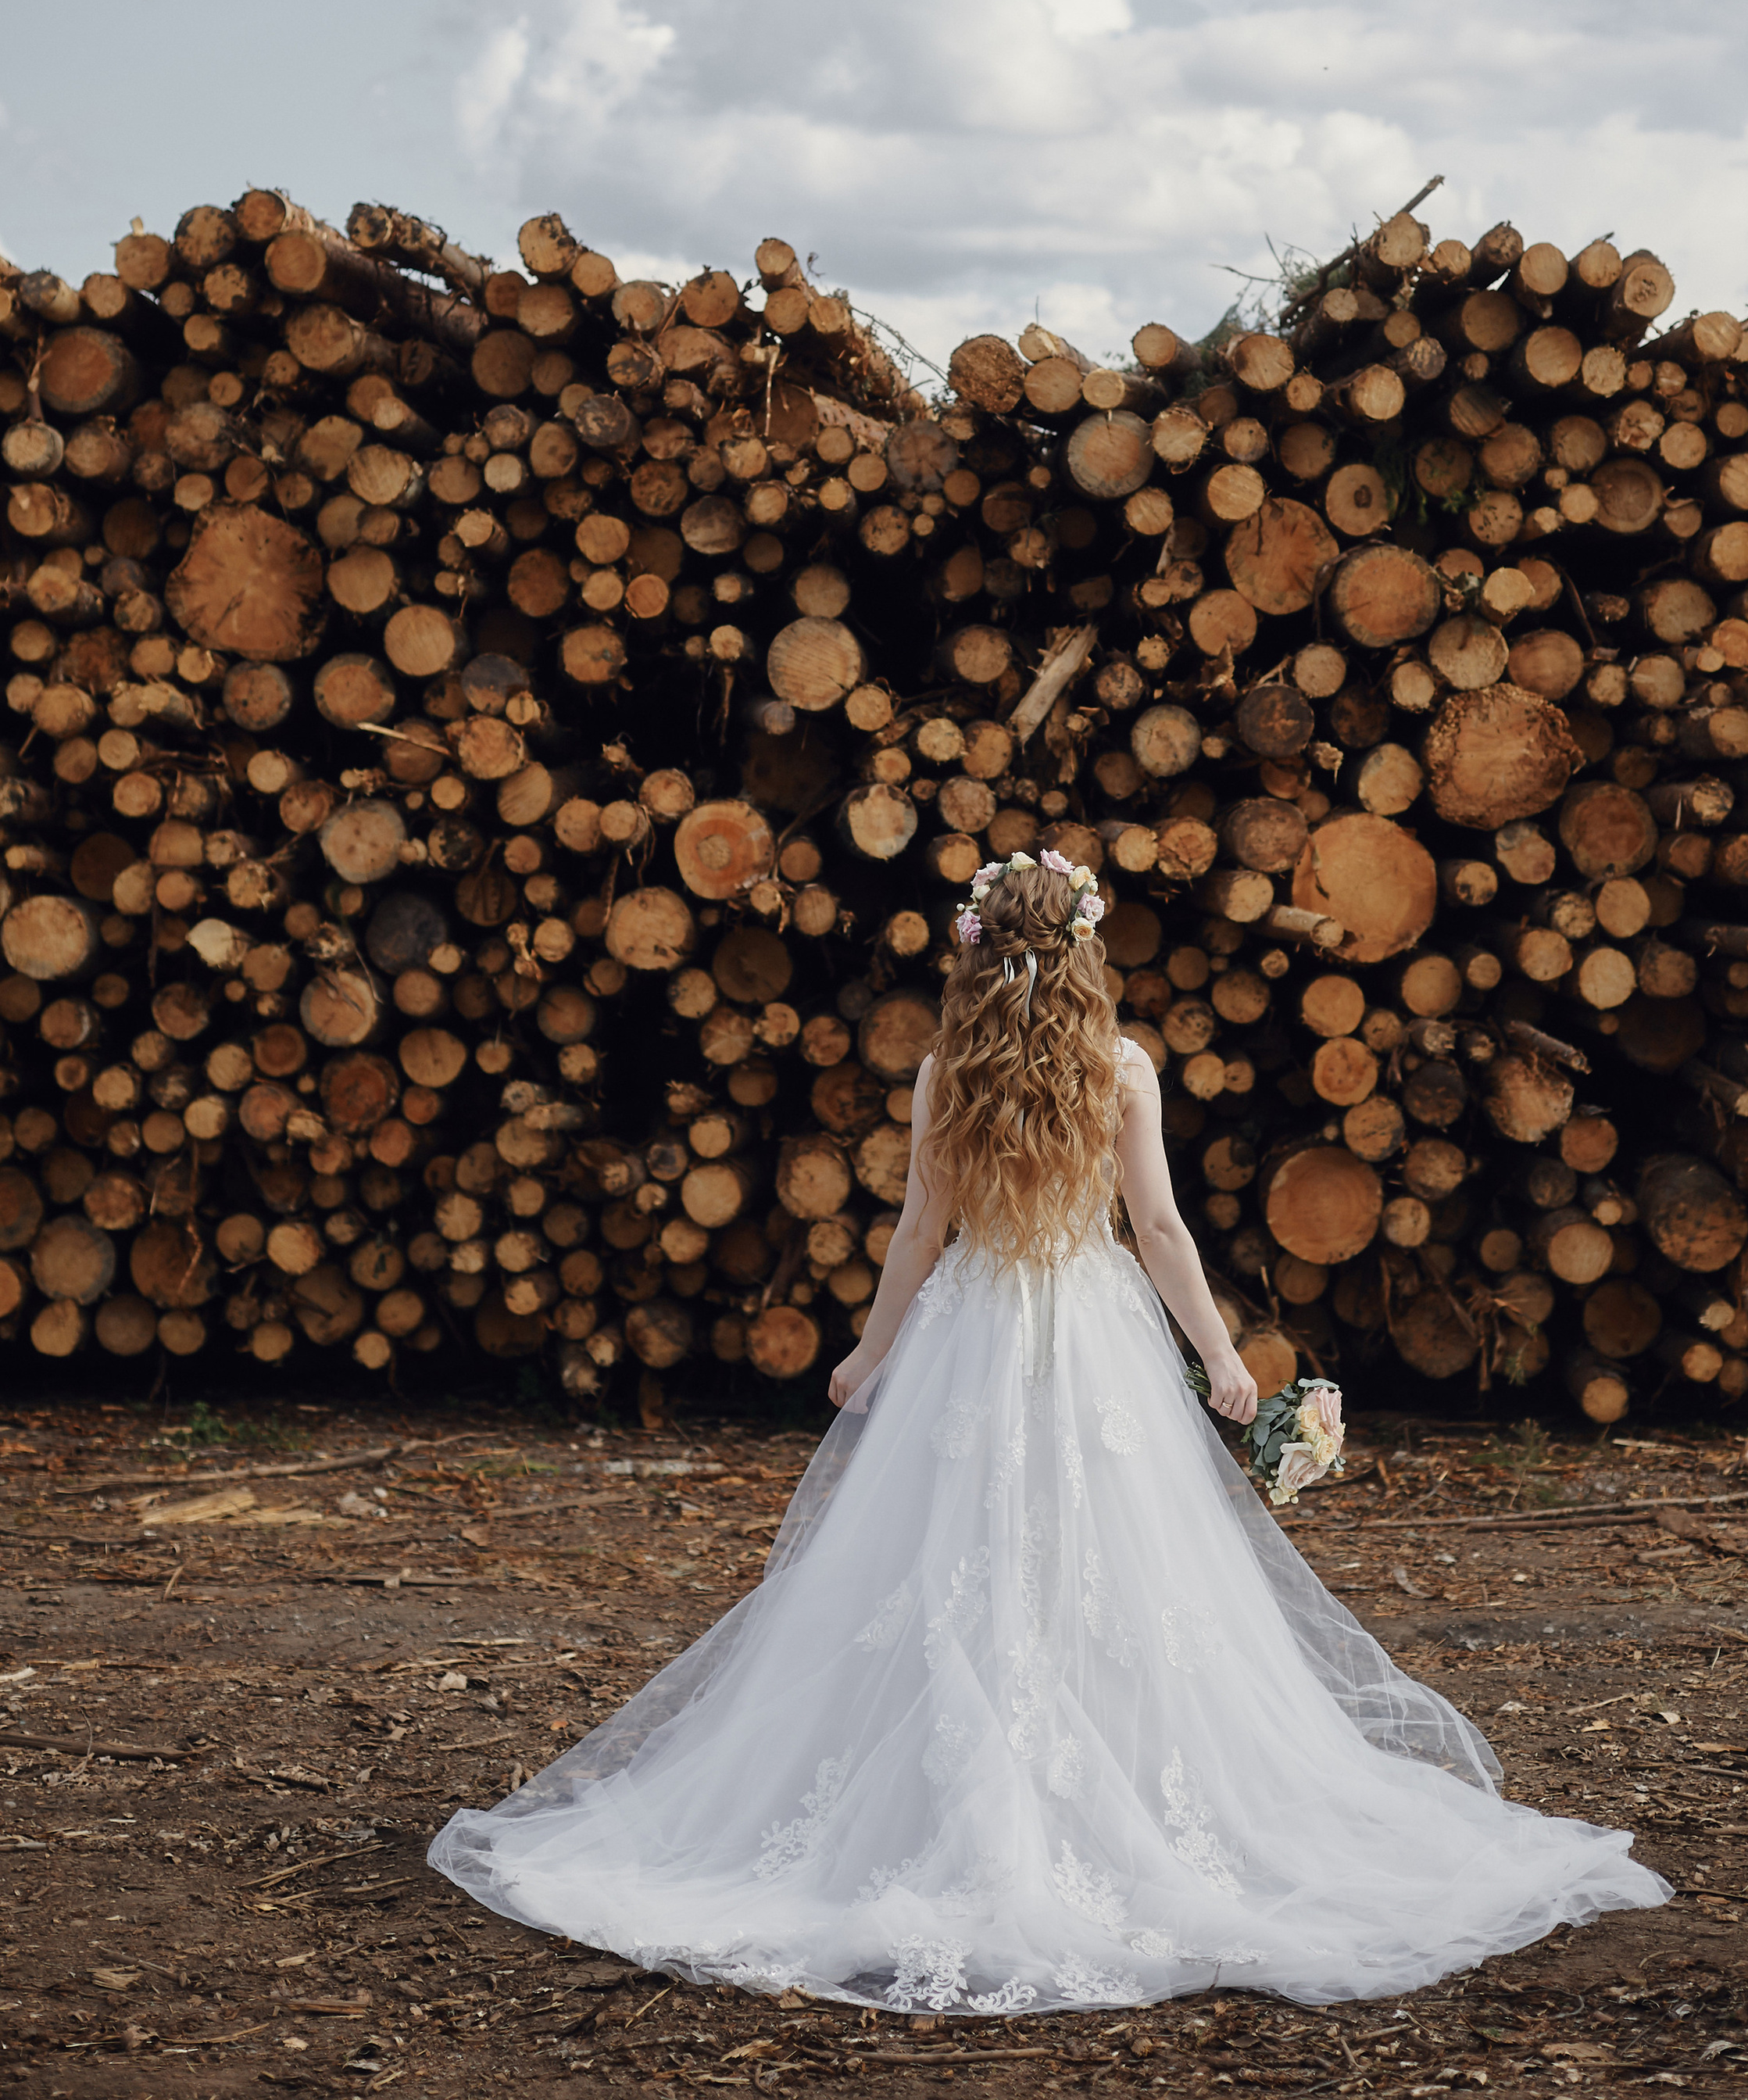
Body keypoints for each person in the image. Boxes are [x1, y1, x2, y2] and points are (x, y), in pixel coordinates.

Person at [429, 850, 1668, 2011]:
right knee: (1113, 1561)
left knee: (950, 1556)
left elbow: (920, 1235)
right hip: (1090, 1327)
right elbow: (1164, 1231)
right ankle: (1101, 1791)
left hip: (972, 1333)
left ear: (971, 954)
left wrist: (870, 1352)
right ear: (1085, 952)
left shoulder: (944, 1072)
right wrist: (1222, 1355)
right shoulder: (1121, 1068)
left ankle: (961, 1800)